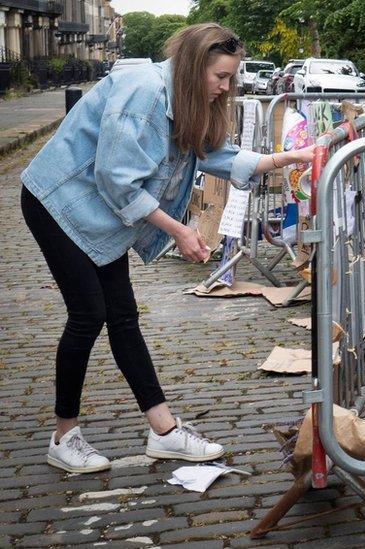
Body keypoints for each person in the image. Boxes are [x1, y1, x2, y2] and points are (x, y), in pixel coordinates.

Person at [20, 23, 313, 474]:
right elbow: (117, 180)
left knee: (121, 315)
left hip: (101, 210)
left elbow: (211, 153)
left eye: (231, 77)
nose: (226, 86)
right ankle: (63, 436)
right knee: (89, 315)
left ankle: (163, 431)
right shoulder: (145, 94)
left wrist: (285, 158)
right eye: (220, 76)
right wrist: (179, 230)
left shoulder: (184, 98)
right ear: (195, 67)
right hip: (58, 201)